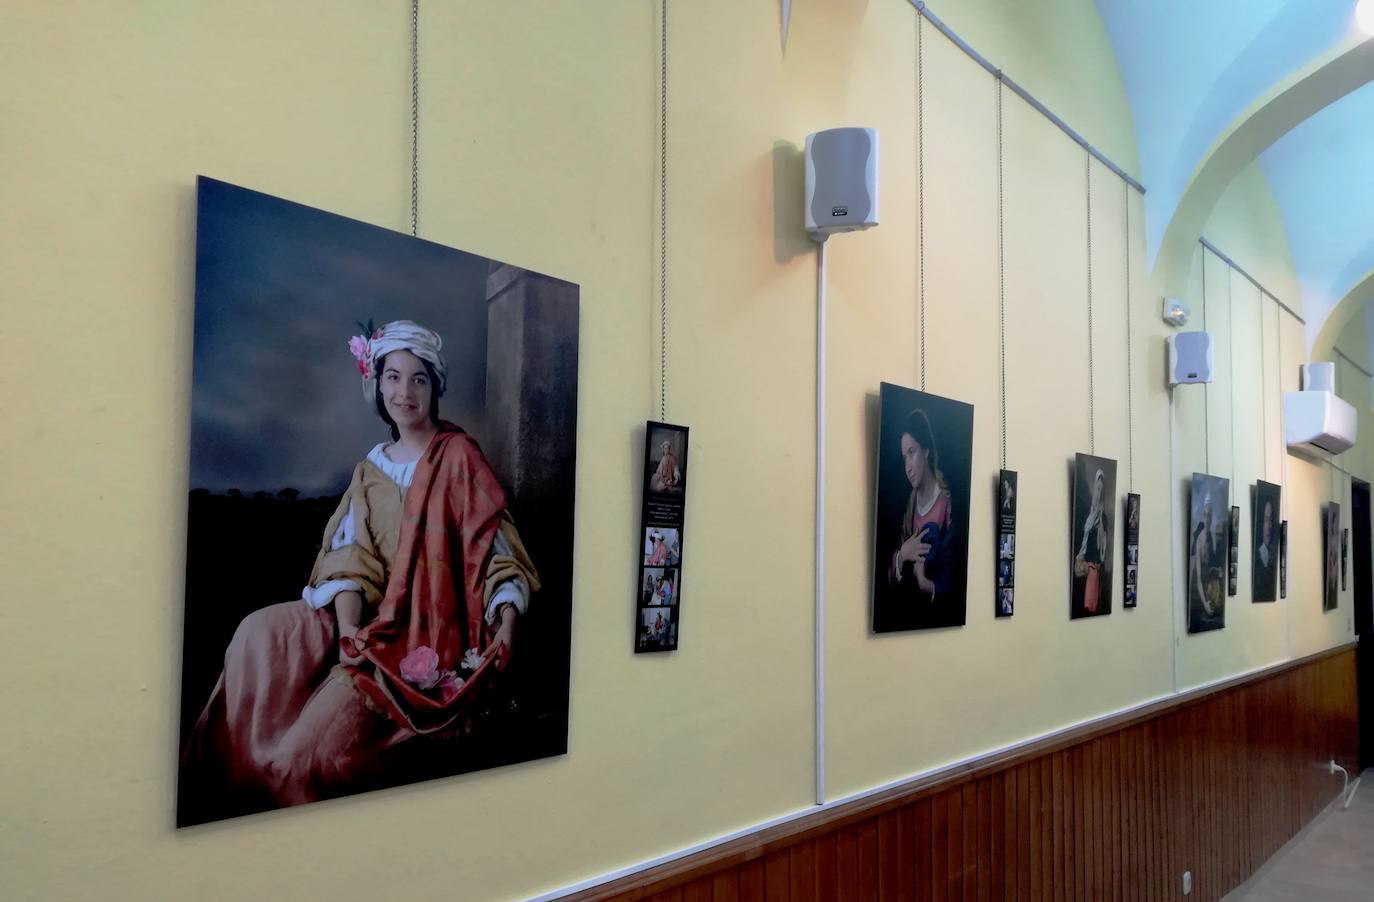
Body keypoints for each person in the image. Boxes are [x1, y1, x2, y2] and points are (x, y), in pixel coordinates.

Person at [179, 320, 540, 822]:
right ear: (378, 384)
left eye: (418, 379)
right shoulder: (372, 468)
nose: (405, 391)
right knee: (258, 634)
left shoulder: (459, 458)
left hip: (429, 629)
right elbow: (351, 557)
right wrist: (348, 626)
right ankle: (230, 782)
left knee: (304, 757)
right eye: (393, 377)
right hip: (367, 614)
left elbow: (496, 552)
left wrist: (507, 620)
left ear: (435, 387)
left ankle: (285, 771)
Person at [887, 408, 954, 606]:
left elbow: (953, 578)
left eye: (912, 452)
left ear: (925, 451)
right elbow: (890, 580)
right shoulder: (909, 506)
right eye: (904, 458)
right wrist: (902, 555)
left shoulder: (946, 505)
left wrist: (926, 585)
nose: (907, 467)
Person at [1073, 469, 1110, 615]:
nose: (1099, 493)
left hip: (1093, 573)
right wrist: (1082, 563)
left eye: (1102, 490)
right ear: (1094, 489)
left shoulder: (1103, 519)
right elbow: (1081, 544)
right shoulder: (1086, 515)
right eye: (1098, 489)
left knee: (1089, 611)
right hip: (1081, 570)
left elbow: (1103, 555)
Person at [1190, 493, 1223, 625]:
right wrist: (1204, 603)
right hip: (1198, 586)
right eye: (1205, 515)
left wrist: (1218, 570)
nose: (1207, 519)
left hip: (1208, 583)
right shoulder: (1199, 540)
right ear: (1203, 516)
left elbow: (1213, 562)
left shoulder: (1212, 537)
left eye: (1209, 515)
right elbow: (1198, 577)